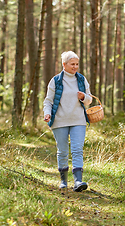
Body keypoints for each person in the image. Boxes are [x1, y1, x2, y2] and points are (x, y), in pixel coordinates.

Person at [43, 51, 92, 192]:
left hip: (78, 120)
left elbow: (89, 100)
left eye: (77, 64)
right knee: (63, 151)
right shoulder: (56, 80)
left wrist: (84, 97)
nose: (75, 67)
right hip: (59, 121)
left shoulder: (81, 79)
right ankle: (63, 181)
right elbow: (48, 101)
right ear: (64, 65)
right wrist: (47, 113)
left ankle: (78, 181)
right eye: (72, 64)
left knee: (77, 150)